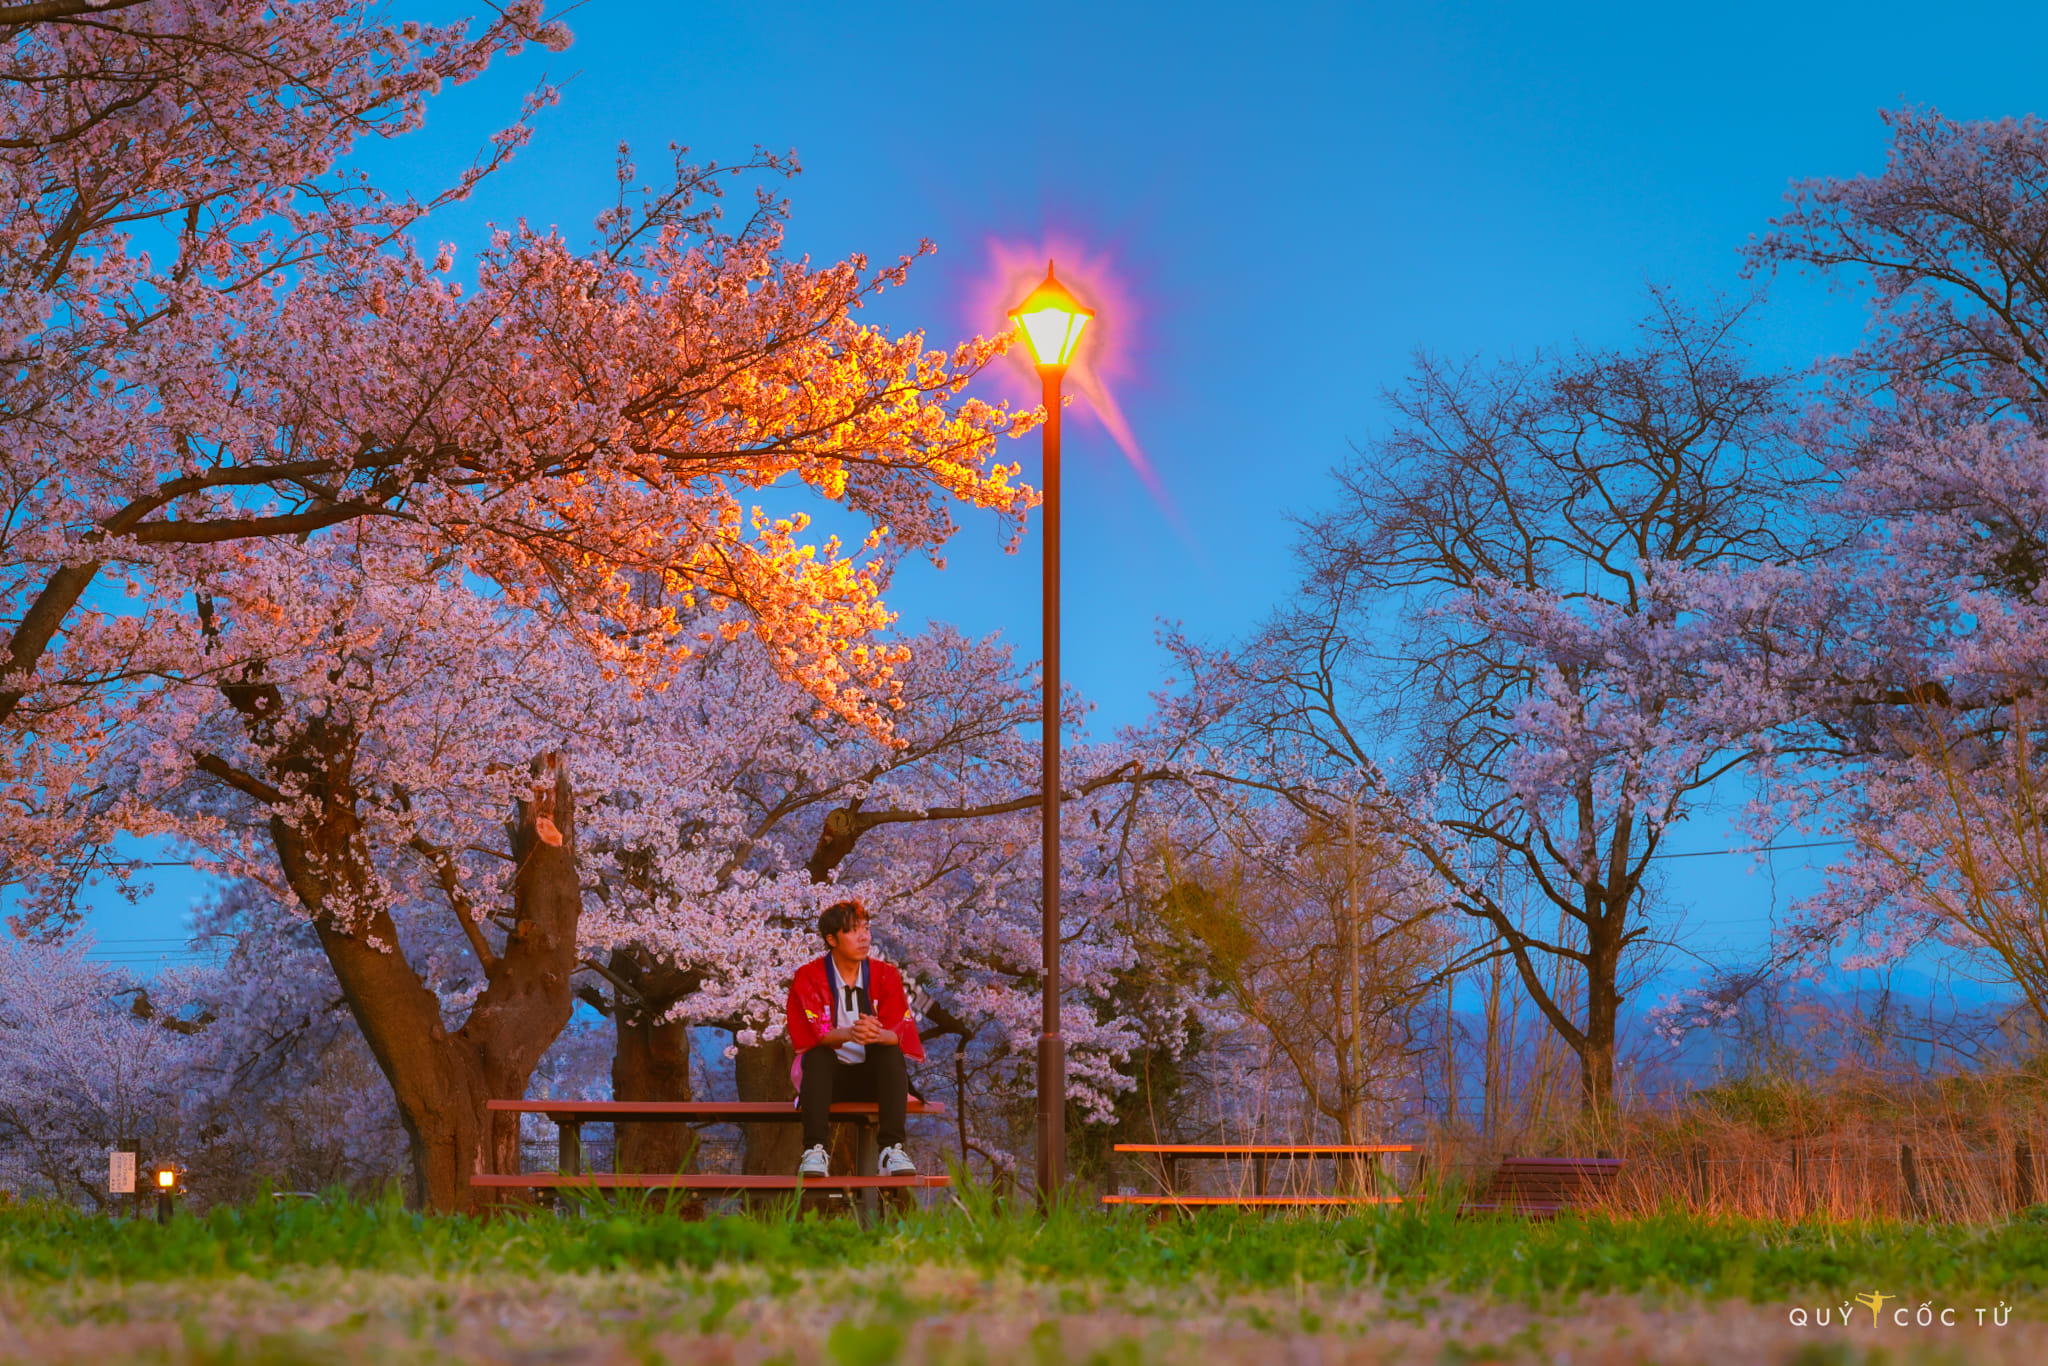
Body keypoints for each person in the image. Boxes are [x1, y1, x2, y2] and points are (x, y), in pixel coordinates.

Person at [784, 899, 925, 1177]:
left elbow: (899, 1031)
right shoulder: (808, 976)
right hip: (825, 1083)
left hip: (873, 1081)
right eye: (852, 931)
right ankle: (814, 1150)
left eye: (866, 929)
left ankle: (892, 1150)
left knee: (889, 1052)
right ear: (831, 939)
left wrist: (875, 1033)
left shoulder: (886, 975)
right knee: (818, 1055)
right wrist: (849, 1033)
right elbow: (811, 1034)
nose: (864, 937)